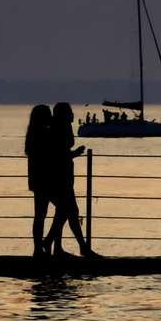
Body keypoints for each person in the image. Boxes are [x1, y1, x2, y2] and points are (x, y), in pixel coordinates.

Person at [44, 102, 95, 257]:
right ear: (63, 114)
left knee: (64, 211)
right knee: (70, 211)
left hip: (64, 176)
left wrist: (73, 153)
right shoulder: (59, 128)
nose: (73, 114)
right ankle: (78, 247)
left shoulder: (62, 127)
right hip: (59, 177)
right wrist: (76, 153)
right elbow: (58, 154)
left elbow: (61, 151)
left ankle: (56, 246)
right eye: (70, 112)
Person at [24, 105, 55, 256]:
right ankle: (45, 242)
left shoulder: (33, 133)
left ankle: (39, 247)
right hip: (44, 179)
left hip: (37, 179)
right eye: (48, 114)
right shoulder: (43, 133)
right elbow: (49, 154)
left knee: (40, 215)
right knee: (65, 209)